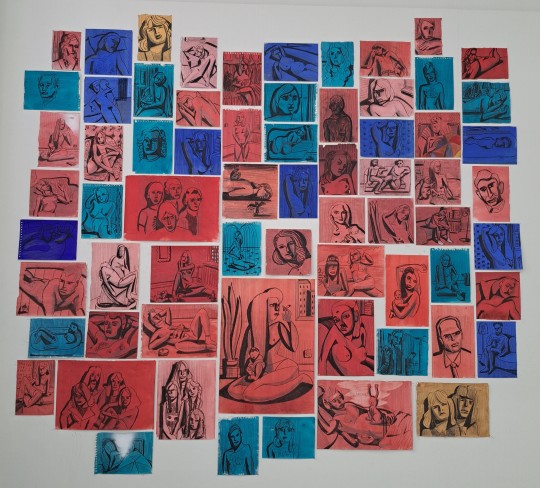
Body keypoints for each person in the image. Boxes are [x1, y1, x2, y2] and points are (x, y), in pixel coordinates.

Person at [227, 288, 312, 403]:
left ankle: (300, 379)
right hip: (264, 370)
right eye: (273, 305)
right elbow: (248, 357)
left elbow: (293, 346)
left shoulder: (278, 326)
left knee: (250, 393)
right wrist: (250, 369)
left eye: (278, 305)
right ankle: (262, 385)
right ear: (262, 307)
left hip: (285, 367)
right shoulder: (251, 331)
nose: (277, 309)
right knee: (233, 390)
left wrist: (289, 322)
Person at [318, 384, 412, 448]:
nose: (340, 402)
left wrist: (387, 413)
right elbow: (352, 441)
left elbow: (367, 409)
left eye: (340, 397)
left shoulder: (349, 405)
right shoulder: (336, 421)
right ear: (328, 404)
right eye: (334, 401)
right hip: (385, 439)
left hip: (394, 423)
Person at [319, 300, 373, 376]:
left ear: (355, 316)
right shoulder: (335, 332)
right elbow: (322, 359)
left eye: (346, 316)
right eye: (337, 320)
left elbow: (364, 359)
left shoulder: (361, 331)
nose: (341, 324)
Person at [146, 306, 216, 353]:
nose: (158, 317)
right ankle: (207, 347)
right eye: (155, 318)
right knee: (178, 346)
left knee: (202, 311)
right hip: (185, 341)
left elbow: (167, 309)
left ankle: (208, 339)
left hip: (193, 333)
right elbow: (150, 346)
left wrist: (158, 315)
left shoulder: (167, 324)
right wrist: (165, 337)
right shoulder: (158, 332)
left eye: (158, 315)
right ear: (153, 323)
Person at [20, 267, 86, 316]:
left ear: (76, 283)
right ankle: (28, 275)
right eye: (62, 281)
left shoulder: (79, 287)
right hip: (40, 290)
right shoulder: (51, 289)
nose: (63, 286)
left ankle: (32, 278)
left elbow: (78, 309)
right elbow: (49, 315)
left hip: (47, 283)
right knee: (22, 282)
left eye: (69, 283)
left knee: (35, 279)